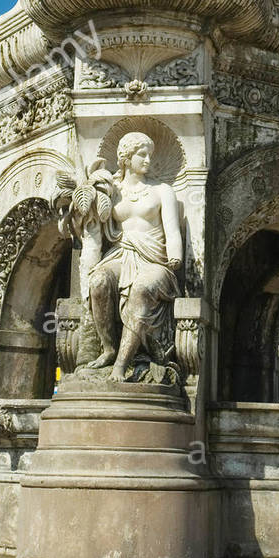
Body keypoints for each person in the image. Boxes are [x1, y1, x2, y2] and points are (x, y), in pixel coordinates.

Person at [87, 132, 182, 381]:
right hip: (121, 254)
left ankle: (121, 365)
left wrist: (176, 256)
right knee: (98, 281)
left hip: (155, 262)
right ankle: (108, 349)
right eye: (142, 154)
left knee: (142, 289)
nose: (148, 159)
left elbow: (172, 230)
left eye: (149, 154)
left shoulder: (162, 190)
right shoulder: (112, 191)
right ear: (126, 158)